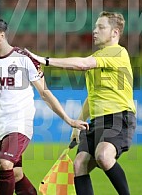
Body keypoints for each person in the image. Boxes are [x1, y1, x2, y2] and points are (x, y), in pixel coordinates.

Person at [0, 16, 89, 195]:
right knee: (16, 173)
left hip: (19, 124)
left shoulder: (24, 59)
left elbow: (44, 92)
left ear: (1, 35)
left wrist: (68, 119)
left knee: (4, 164)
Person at [25, 11, 136, 195]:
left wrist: (45, 60)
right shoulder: (99, 57)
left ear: (115, 33)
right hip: (96, 121)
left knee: (103, 156)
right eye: (95, 27)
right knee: (79, 165)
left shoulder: (118, 52)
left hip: (118, 117)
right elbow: (92, 96)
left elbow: (83, 64)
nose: (94, 31)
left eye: (101, 27)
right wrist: (77, 125)